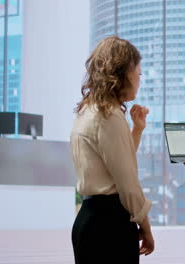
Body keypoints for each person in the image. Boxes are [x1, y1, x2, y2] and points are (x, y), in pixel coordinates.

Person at [70, 36, 154, 264]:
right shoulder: (110, 116)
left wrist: (136, 129)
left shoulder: (89, 110)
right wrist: (145, 227)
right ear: (125, 71)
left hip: (90, 220)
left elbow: (116, 163)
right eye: (139, 71)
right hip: (109, 225)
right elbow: (127, 183)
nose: (140, 77)